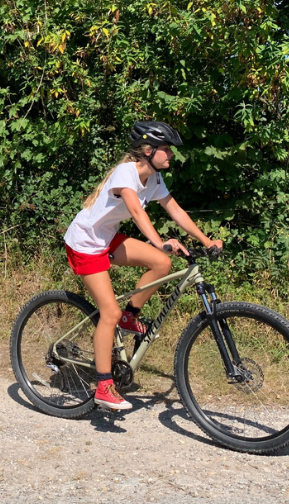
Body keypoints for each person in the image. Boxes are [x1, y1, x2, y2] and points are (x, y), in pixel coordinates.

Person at [63, 121, 224, 411]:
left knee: (161, 263)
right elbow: (136, 211)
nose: (171, 155)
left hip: (107, 238)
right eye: (166, 150)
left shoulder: (155, 179)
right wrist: (159, 240)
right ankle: (103, 387)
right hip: (85, 242)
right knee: (108, 313)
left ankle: (130, 317)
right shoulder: (126, 173)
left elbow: (175, 210)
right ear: (148, 151)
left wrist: (206, 239)